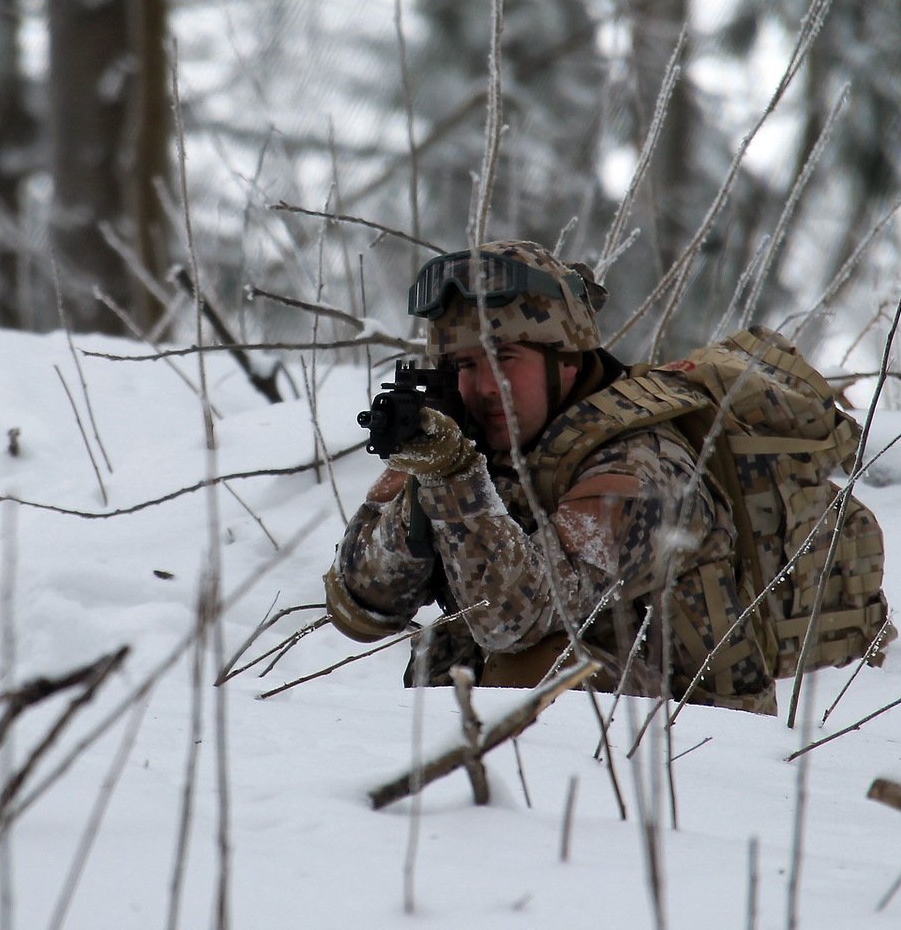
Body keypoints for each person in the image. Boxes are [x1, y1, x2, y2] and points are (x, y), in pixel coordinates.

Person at [323, 241, 778, 714]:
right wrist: (422, 490)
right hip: (566, 730)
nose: (483, 387)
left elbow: (512, 620)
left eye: (506, 358)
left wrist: (455, 481)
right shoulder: (464, 442)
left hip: (693, 744)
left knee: (532, 668)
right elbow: (359, 605)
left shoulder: (645, 464)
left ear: (565, 357)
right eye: (464, 365)